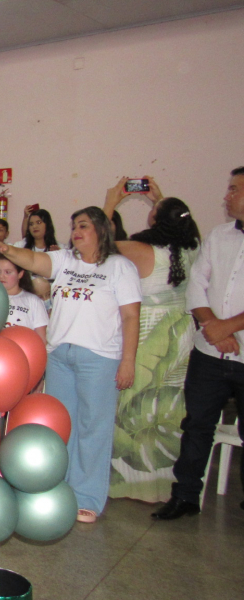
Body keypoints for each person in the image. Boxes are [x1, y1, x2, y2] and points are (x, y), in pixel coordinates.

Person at [0, 206, 141, 524]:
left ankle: (87, 498)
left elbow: (130, 316)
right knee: (62, 429)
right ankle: (60, 488)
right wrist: (7, 250)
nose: (76, 231)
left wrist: (128, 360)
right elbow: (33, 261)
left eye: (83, 225)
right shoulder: (65, 260)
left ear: (101, 230)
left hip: (98, 358)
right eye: (73, 225)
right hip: (61, 356)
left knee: (93, 430)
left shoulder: (120, 267)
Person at [100, 179, 201, 503]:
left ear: (154, 219)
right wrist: (158, 199)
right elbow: (182, 221)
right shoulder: (191, 249)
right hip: (181, 336)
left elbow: (98, 246)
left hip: (147, 335)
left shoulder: (140, 250)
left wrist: (110, 203)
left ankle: (127, 483)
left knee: (132, 403)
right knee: (169, 405)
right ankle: (164, 481)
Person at [153, 167, 244, 520]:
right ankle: (186, 495)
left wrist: (226, 327)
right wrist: (211, 326)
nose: (227, 196)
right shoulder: (219, 236)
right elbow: (196, 286)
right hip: (209, 352)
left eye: (234, 189)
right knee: (197, 425)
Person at [0, 255, 48, 341]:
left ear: (20, 274)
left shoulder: (33, 301)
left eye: (8, 272)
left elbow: (41, 338)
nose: (2, 276)